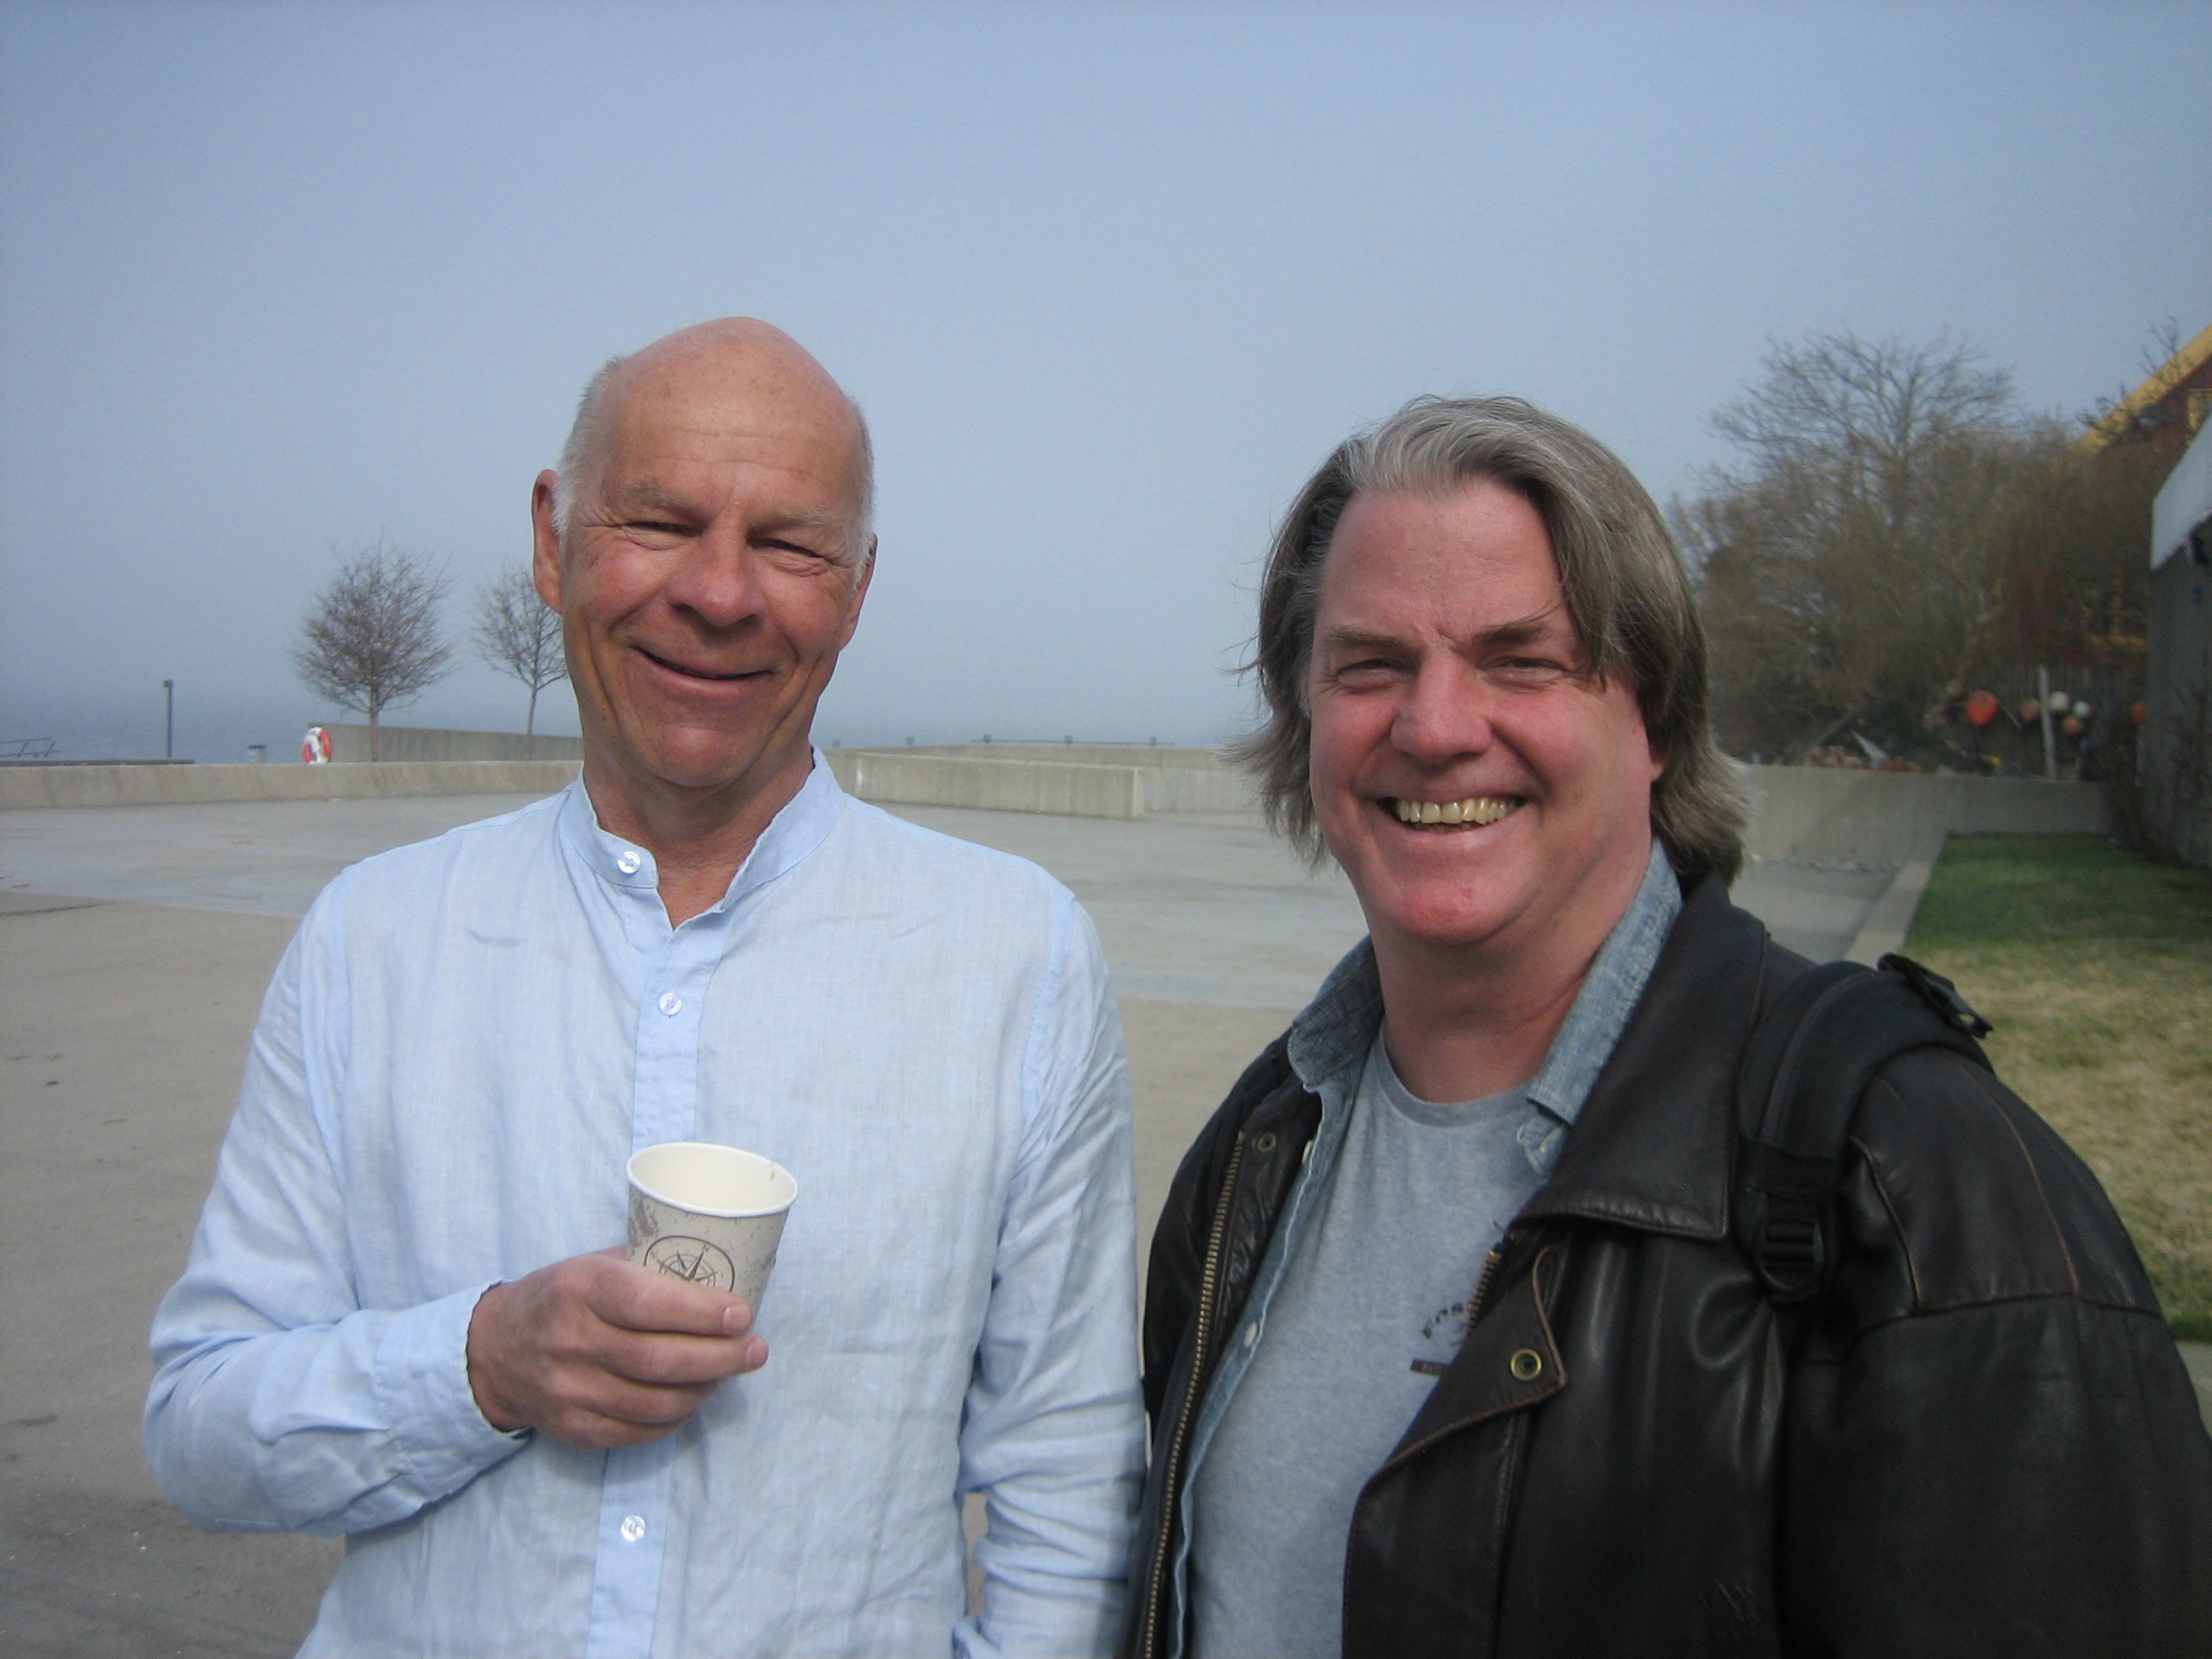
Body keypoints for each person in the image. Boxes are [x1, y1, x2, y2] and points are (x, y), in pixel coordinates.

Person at [1122, 397, 2212, 1658]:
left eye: (1523, 660)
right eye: (1370, 665)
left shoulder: (1918, 1184)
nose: (1435, 727)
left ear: (1653, 720)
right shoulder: (1262, 1152)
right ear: (1305, 721)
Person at [146, 320, 1144, 1657]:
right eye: (662, 522)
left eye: (789, 544)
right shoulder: (369, 944)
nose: (721, 594)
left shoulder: (1017, 959)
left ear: (857, 589)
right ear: (552, 540)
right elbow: (203, 1431)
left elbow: (1068, 1481)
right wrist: (481, 1366)